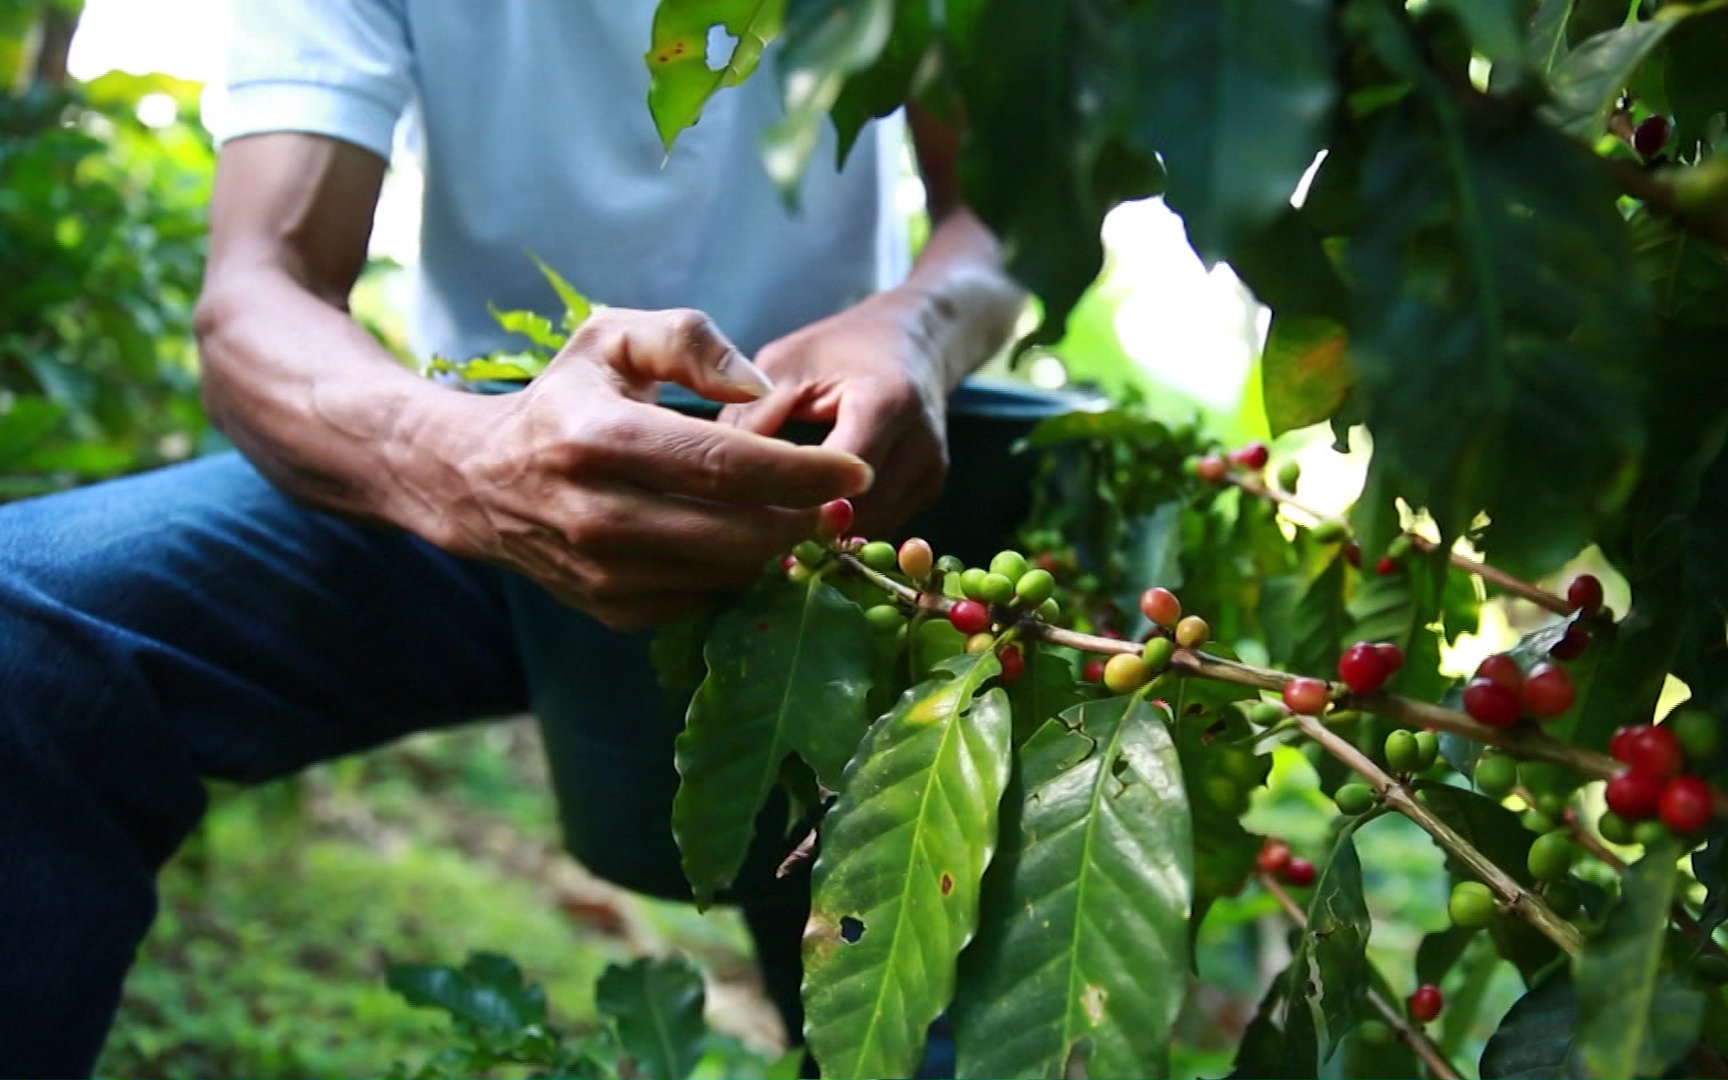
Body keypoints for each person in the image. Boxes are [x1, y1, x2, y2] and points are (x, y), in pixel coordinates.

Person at [0, 1, 1042, 1075]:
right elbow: (257, 288)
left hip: (834, 508)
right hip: (469, 477)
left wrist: (913, 325)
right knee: (24, 629)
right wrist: (465, 462)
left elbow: (1009, 209)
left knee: (897, 985)